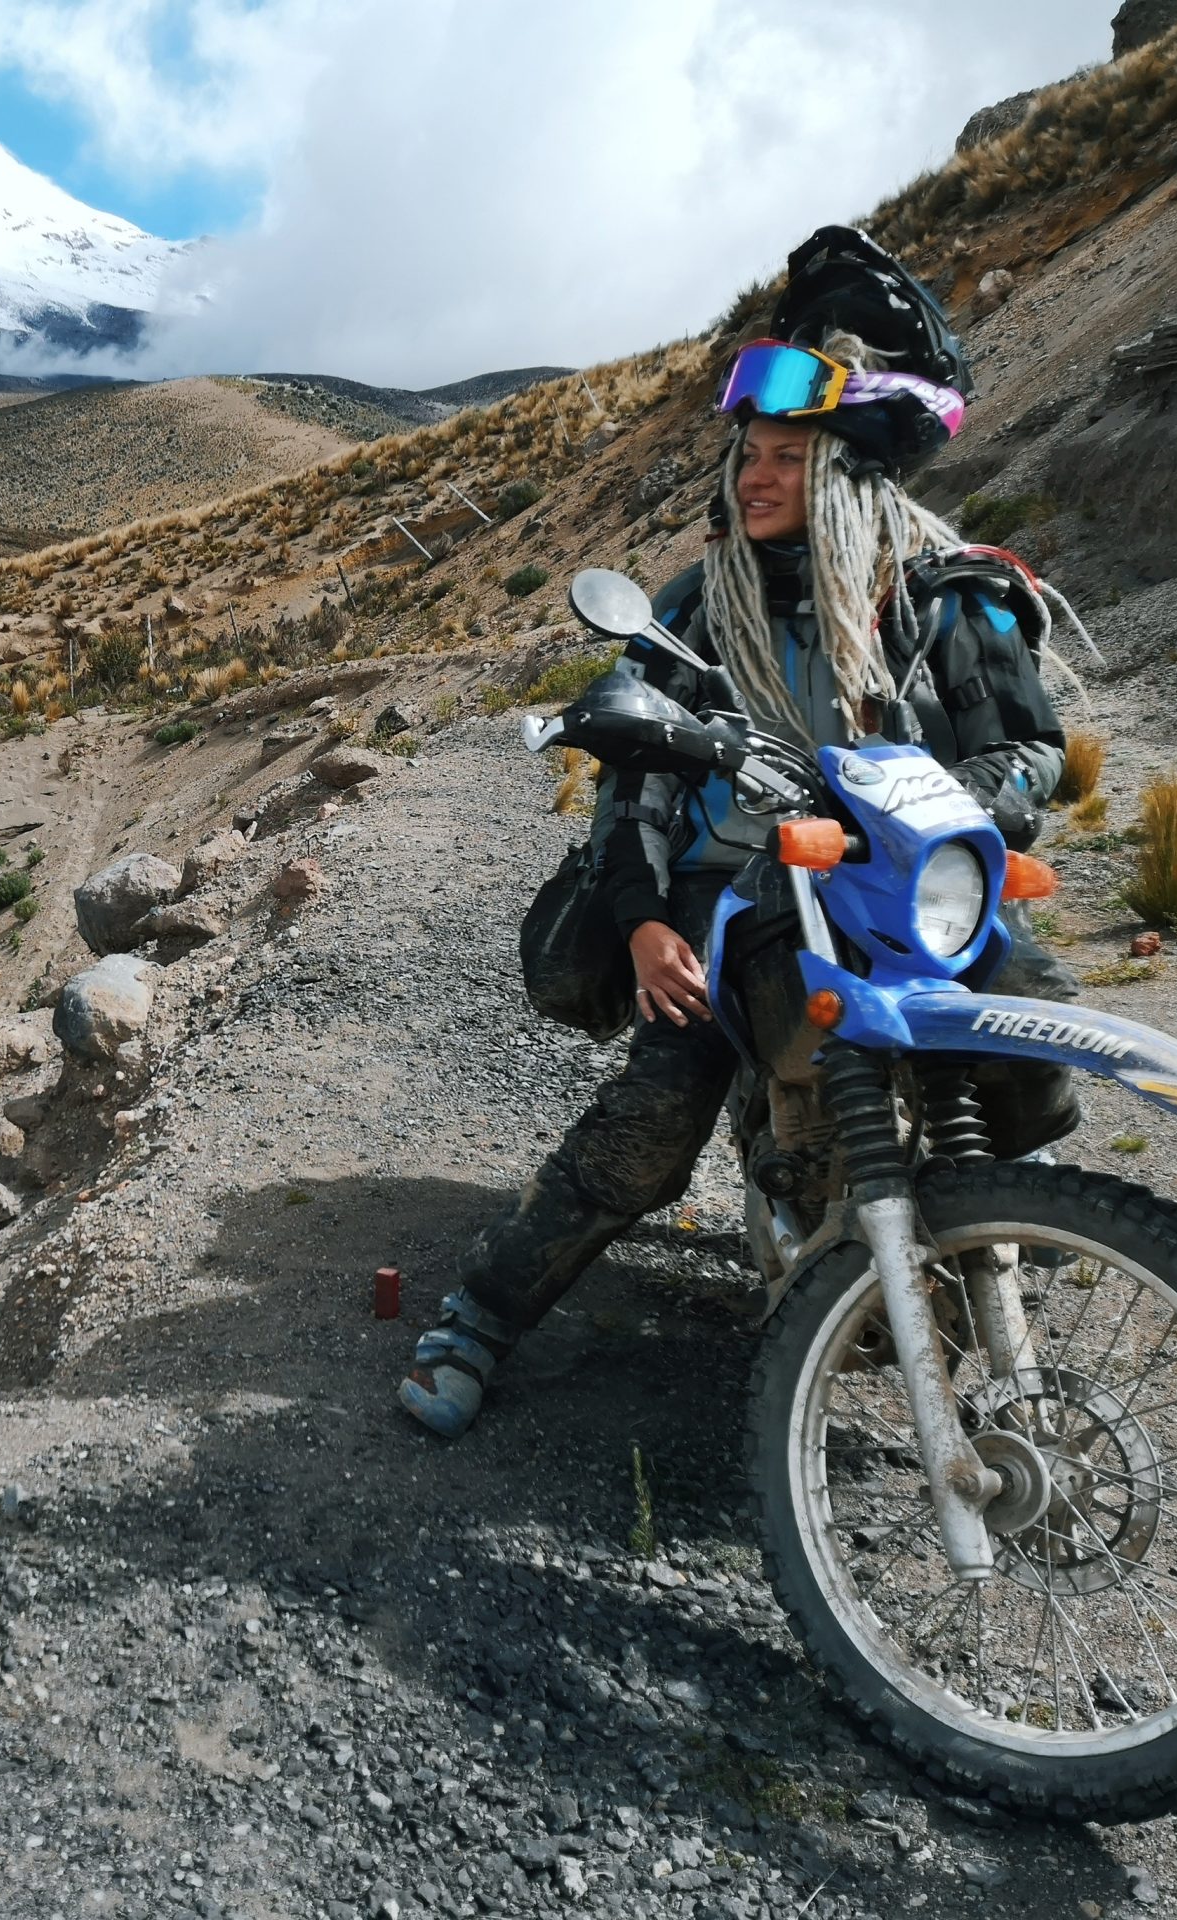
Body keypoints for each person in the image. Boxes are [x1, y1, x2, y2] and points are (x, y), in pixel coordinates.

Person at [400, 228, 1082, 1439]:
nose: (752, 478)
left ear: (846, 473)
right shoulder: (695, 608)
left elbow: (1028, 752)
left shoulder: (943, 591)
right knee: (651, 1123)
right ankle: (480, 1316)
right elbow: (633, 779)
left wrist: (942, 815)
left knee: (1033, 1032)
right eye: (749, 454)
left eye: (784, 458)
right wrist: (646, 919)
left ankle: (1000, 1225)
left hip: (906, 886)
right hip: (740, 901)